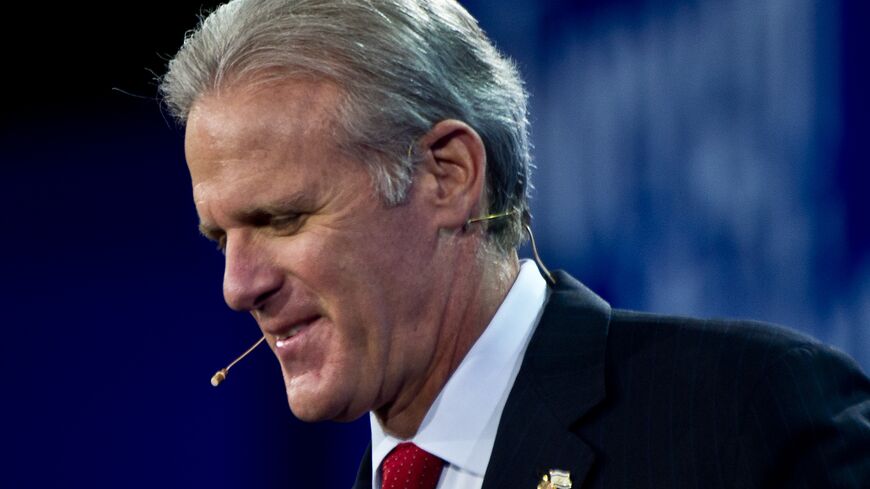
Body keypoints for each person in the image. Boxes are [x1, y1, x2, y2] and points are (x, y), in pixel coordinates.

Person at [160, 0, 870, 487]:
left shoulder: (742, 416)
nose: (238, 284)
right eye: (221, 236)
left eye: (282, 218)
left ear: (448, 175)